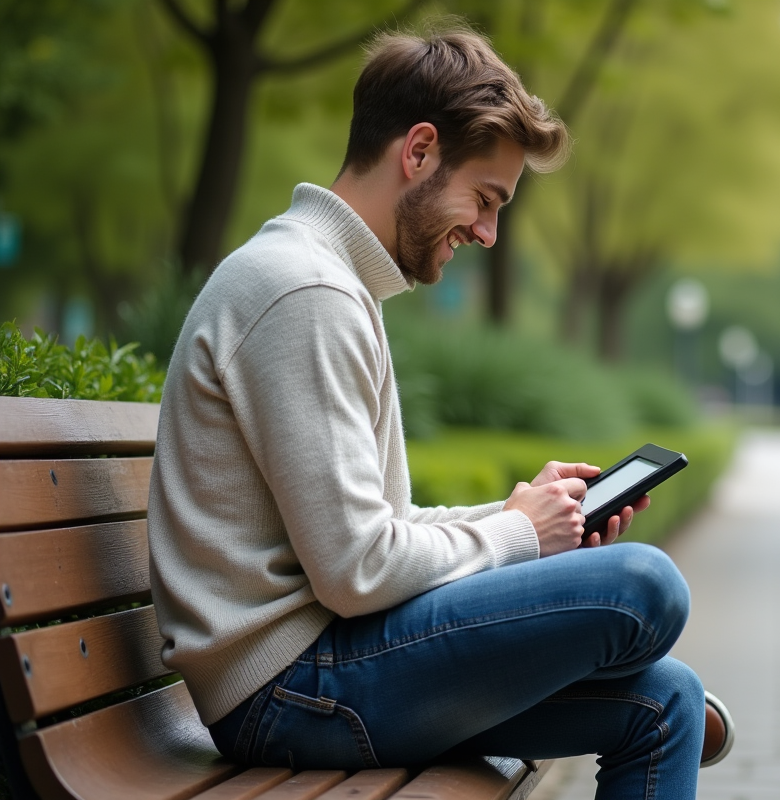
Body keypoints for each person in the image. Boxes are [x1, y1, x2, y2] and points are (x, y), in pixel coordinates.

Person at [146, 26, 733, 799]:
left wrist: (524, 518)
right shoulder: (305, 291)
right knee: (643, 585)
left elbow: (378, 532)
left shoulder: (330, 282)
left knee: (665, 699)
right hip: (290, 691)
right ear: (418, 151)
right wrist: (521, 537)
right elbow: (359, 571)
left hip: (325, 664)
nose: (487, 233)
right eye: (484, 200)